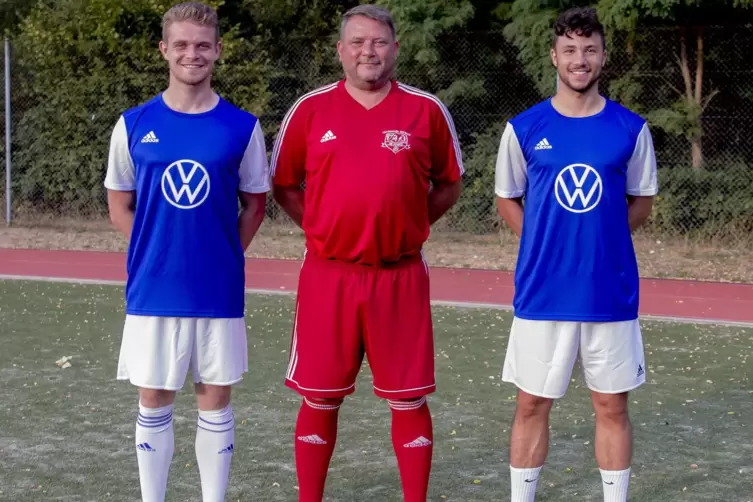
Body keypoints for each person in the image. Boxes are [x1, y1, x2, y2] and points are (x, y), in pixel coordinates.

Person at [270, 4, 464, 501]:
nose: (368, 51)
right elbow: (284, 184)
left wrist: (410, 225)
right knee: (320, 395)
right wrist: (320, 226)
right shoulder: (310, 110)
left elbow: (448, 183)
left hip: (398, 276)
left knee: (408, 397)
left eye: (378, 42)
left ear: (395, 49)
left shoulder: (425, 109)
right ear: (341, 51)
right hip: (328, 276)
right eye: (357, 42)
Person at [104, 2, 269, 501]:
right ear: (164, 50)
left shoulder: (242, 127)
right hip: (154, 289)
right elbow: (119, 207)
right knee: (154, 399)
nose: (192, 54)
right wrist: (161, 254)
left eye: (202, 45)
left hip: (217, 290)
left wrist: (220, 255)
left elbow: (255, 205)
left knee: (215, 400)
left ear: (217, 50)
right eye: (181, 44)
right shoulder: (133, 124)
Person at [494, 6, 657, 502]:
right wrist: (545, 239)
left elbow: (642, 201)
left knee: (611, 406)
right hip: (544, 292)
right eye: (570, 50)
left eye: (589, 50)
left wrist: (601, 237)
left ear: (603, 56)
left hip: (609, 291)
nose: (579, 60)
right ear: (554, 56)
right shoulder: (524, 128)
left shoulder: (631, 129)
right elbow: (507, 197)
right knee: (530, 405)